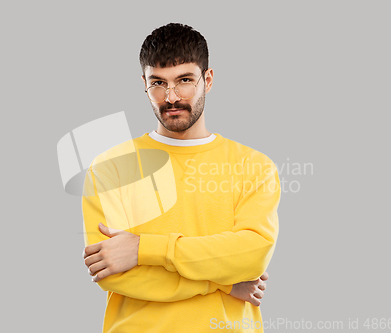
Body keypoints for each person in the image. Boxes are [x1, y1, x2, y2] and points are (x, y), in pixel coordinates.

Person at [82, 23, 280, 333]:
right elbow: (112, 273)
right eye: (158, 82)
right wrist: (223, 284)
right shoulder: (111, 167)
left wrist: (143, 250)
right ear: (144, 84)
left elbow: (252, 255)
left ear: (208, 79)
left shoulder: (253, 166)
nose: (171, 96)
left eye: (184, 80)